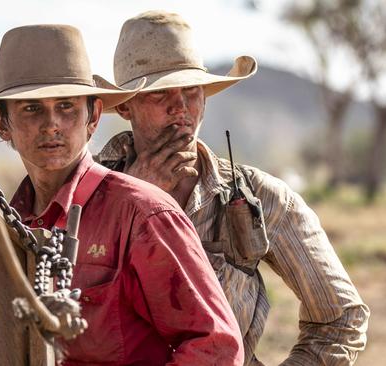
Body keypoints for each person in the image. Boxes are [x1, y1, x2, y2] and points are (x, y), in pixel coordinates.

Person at [0, 24, 243, 365]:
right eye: (31, 108)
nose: (52, 124)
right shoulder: (4, 226)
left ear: (94, 117)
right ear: (2, 124)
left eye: (67, 106)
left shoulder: (144, 215)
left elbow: (215, 347)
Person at [97, 11, 370, 366]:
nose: (180, 107)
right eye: (160, 92)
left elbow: (340, 318)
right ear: (126, 107)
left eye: (192, 91)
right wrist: (136, 200)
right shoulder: (86, 194)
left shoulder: (261, 196)